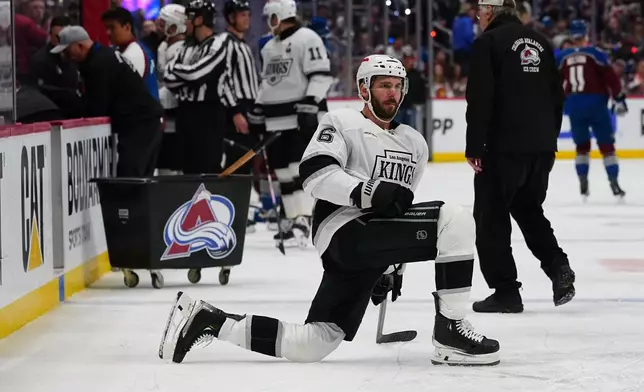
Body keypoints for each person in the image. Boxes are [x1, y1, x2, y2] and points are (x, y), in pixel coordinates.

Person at [158, 54, 501, 367]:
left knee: (314, 342)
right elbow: (316, 172)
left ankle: (208, 320)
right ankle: (451, 333)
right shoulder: (342, 121)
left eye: (398, 86)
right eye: (384, 85)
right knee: (455, 217)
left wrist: (391, 265)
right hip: (343, 229)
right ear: (364, 88)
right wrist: (367, 191)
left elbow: (400, 207)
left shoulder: (414, 143)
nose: (392, 94)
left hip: (371, 243)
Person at [465, 0, 575, 313]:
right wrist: (548, 139)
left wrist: (475, 145)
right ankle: (558, 266)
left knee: (491, 217)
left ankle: (506, 292)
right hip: (541, 147)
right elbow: (557, 95)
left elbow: (480, 97)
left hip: (503, 147)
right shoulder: (540, 41)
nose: (478, 18)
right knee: (528, 208)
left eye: (480, 13)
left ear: (490, 12)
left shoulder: (488, 42)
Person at [248, 0, 333, 249]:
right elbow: (268, 83)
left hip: (298, 117)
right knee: (283, 173)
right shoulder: (268, 46)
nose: (268, 22)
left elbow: (321, 74)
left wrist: (311, 102)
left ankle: (305, 218)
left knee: (298, 169)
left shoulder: (308, 38)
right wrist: (258, 108)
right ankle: (292, 217)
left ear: (280, 15)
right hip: (276, 119)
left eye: (270, 17)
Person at [51, 25, 163, 178]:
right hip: (146, 121)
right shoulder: (104, 55)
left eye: (67, 50)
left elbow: (97, 106)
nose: (67, 56)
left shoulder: (98, 64)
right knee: (139, 178)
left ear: (80, 46)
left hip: (140, 124)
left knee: (130, 179)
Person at [164, 0, 241, 175]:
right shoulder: (186, 46)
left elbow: (196, 75)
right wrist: (186, 73)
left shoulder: (217, 44)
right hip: (184, 112)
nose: (185, 23)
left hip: (207, 115)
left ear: (199, 20)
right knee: (187, 169)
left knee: (208, 168)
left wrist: (179, 71)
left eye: (188, 18)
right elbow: (168, 78)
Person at [557, 19, 627, 200]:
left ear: (572, 36)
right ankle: (614, 183)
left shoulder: (562, 56)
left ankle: (583, 182)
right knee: (607, 146)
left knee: (581, 147)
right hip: (596, 104)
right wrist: (618, 97)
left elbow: (552, 82)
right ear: (586, 34)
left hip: (574, 104)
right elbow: (612, 78)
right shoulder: (596, 54)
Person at [220, 0, 262, 234]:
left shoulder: (241, 43)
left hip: (248, 108)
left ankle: (239, 211)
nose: (247, 17)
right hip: (238, 110)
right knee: (237, 162)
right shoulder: (226, 43)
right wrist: (235, 111)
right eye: (241, 14)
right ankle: (231, 212)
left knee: (245, 161)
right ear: (230, 17)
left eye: (247, 13)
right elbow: (223, 80)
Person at [29, 15, 83, 119]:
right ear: (50, 35)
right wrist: (71, 95)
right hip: (52, 115)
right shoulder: (40, 60)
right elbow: (40, 90)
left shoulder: (76, 57)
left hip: (75, 114)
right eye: (57, 37)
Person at [101, 7, 160, 101]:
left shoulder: (133, 54)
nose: (108, 32)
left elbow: (119, 93)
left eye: (112, 28)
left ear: (127, 27)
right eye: (106, 28)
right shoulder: (129, 48)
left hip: (143, 114)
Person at [156, 3, 187, 176]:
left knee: (172, 166)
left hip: (176, 112)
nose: (159, 27)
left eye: (163, 23)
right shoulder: (164, 47)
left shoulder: (182, 50)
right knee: (164, 166)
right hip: (164, 113)